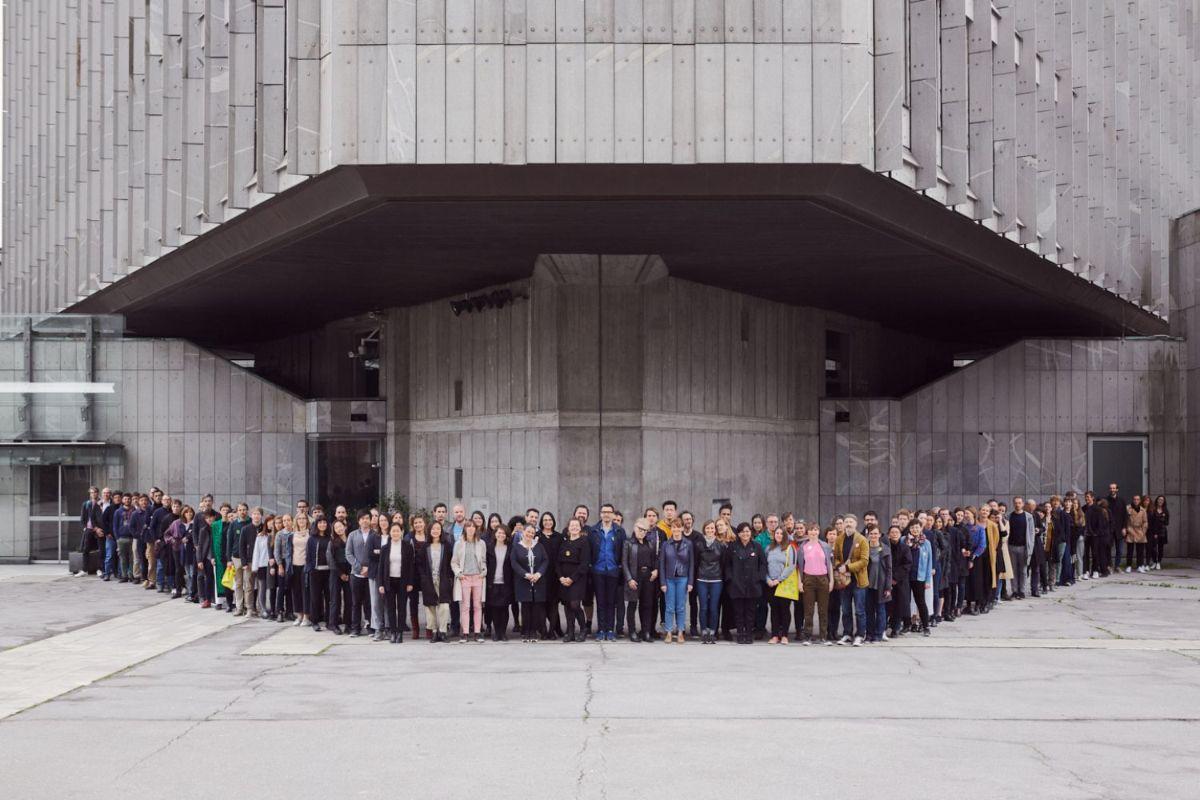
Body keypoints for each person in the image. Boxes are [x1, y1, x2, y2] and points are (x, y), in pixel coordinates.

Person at [586, 504, 625, 641]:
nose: (606, 514)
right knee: (601, 601)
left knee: (611, 602)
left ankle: (610, 630)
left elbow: (622, 552)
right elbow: (589, 551)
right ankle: (601, 629)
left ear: (613, 515)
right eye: (604, 512)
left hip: (613, 570)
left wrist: (620, 568)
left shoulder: (619, 531)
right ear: (600, 514)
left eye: (609, 512)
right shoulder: (593, 531)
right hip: (598, 570)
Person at [725, 522, 766, 644]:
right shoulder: (732, 547)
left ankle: (748, 633)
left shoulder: (757, 546)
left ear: (750, 533)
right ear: (738, 533)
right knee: (738, 612)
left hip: (752, 585)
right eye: (742, 531)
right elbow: (727, 565)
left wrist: (759, 577)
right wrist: (731, 579)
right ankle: (740, 633)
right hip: (736, 584)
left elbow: (763, 564)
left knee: (750, 611)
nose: (745, 534)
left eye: (747, 531)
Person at [377, 522, 415, 643]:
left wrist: (410, 583)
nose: (395, 533)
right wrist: (381, 584)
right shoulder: (385, 548)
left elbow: (410, 566)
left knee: (402, 607)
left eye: (397, 531)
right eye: (393, 531)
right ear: (390, 533)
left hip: (403, 581)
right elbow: (381, 567)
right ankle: (393, 632)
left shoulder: (407, 547)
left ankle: (400, 633)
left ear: (401, 532)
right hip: (389, 581)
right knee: (391, 608)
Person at [834, 516, 869, 646]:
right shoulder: (839, 539)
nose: (848, 524)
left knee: (859, 610)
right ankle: (847, 633)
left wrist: (848, 567)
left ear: (856, 524)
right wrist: (839, 566)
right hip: (844, 580)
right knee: (846, 609)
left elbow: (864, 561)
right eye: (846, 522)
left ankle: (860, 635)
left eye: (851, 522)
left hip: (858, 580)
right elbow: (836, 557)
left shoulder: (862, 540)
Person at [416, 521, 454, 642]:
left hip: (443, 580)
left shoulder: (446, 546)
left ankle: (443, 632)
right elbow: (419, 564)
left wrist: (449, 577)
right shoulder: (425, 547)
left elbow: (451, 562)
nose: (435, 531)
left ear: (441, 531)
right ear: (430, 531)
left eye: (438, 529)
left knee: (444, 606)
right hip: (429, 581)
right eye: (433, 529)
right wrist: (423, 577)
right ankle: (433, 632)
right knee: (430, 607)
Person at [512, 522, 549, 642]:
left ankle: (534, 632)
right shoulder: (517, 546)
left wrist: (538, 574)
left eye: (532, 533)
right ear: (523, 532)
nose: (530, 534)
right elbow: (514, 563)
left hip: (538, 581)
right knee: (526, 607)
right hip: (523, 581)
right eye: (528, 532)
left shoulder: (539, 546)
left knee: (536, 607)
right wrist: (526, 575)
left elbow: (545, 560)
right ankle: (525, 631)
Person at [796, 522, 833, 645]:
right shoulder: (803, 547)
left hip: (823, 579)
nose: (813, 532)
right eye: (811, 530)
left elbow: (829, 565)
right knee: (808, 609)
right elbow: (799, 566)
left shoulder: (825, 546)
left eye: (816, 530)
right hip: (808, 579)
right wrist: (800, 582)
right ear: (808, 532)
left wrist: (831, 580)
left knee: (823, 609)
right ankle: (808, 636)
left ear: (819, 531)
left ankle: (823, 636)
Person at [451, 520, 488, 641]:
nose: (471, 528)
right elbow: (454, 562)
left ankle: (477, 632)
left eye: (473, 526)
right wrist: (459, 573)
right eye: (468, 526)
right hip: (465, 577)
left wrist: (483, 571)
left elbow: (483, 560)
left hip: (478, 577)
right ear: (465, 529)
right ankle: (465, 632)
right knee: (465, 606)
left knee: (478, 606)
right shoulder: (459, 544)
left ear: (476, 529)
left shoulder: (481, 543)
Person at [659, 517, 694, 643]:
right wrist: (662, 582)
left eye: (679, 527)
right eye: (674, 527)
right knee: (669, 607)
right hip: (669, 579)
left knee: (680, 607)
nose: (676, 529)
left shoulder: (688, 544)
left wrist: (690, 582)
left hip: (683, 579)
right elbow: (662, 564)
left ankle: (680, 632)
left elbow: (691, 564)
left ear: (682, 528)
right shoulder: (666, 544)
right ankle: (668, 632)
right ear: (671, 529)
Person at [556, 518, 591, 642]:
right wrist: (560, 577)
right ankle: (570, 631)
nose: (574, 527)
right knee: (567, 605)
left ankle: (583, 629)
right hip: (564, 579)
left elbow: (584, 564)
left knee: (574, 604)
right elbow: (557, 562)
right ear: (568, 528)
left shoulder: (584, 542)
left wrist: (571, 578)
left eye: (577, 525)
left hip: (578, 579)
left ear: (580, 528)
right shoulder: (564, 542)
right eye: (572, 525)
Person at [693, 520, 724, 644]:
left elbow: (723, 563)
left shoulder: (720, 545)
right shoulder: (699, 544)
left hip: (716, 579)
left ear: (715, 530)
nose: (710, 531)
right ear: (704, 530)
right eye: (708, 528)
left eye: (712, 528)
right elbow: (696, 562)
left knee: (714, 607)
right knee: (704, 607)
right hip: (702, 579)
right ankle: (704, 631)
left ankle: (712, 631)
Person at [538, 511, 564, 640]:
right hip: (541, 575)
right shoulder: (537, 536)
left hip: (555, 575)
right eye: (545, 520)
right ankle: (543, 631)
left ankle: (552, 631)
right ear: (541, 522)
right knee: (542, 604)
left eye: (550, 520)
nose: (548, 522)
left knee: (554, 605)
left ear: (553, 521)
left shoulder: (559, 537)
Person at [485, 526, 513, 641]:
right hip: (493, 583)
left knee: (504, 608)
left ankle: (503, 632)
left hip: (506, 582)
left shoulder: (510, 548)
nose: (501, 535)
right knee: (495, 609)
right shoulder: (489, 548)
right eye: (499, 533)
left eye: (503, 533)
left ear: (506, 535)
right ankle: (497, 633)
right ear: (495, 534)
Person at [864, 525, 891, 643]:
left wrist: (888, 587)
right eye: (871, 534)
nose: (873, 536)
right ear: (868, 535)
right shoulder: (865, 548)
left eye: (876, 534)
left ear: (879, 535)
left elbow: (889, 569)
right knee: (869, 611)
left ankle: (879, 634)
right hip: (867, 585)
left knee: (880, 610)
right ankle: (869, 634)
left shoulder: (885, 549)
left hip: (880, 584)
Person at [306, 516, 332, 631]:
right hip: (315, 572)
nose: (322, 524)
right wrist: (311, 568)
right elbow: (308, 556)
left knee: (329, 597)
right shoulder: (312, 539)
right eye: (320, 522)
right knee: (315, 598)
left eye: (324, 522)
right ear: (316, 525)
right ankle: (314, 621)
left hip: (329, 572)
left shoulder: (330, 537)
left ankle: (329, 621)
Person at [907, 521, 932, 636]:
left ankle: (926, 625)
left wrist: (927, 580)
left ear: (921, 528)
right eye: (912, 527)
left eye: (917, 527)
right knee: (905, 601)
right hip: (906, 576)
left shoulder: (926, 543)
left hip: (919, 577)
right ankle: (907, 625)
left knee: (920, 602)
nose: (915, 529)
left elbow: (929, 563)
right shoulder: (904, 540)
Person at [328, 520, 352, 634]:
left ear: (345, 526)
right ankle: (333, 624)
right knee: (335, 599)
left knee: (349, 599)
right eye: (336, 527)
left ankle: (348, 624)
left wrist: (349, 573)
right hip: (336, 573)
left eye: (340, 526)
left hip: (350, 573)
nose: (339, 529)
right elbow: (330, 560)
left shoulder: (350, 540)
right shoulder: (332, 542)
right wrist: (340, 574)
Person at [1125, 494, 1148, 573]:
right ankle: (1128, 566)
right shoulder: (1128, 508)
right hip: (1131, 529)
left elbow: (1145, 522)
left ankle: (1140, 565)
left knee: (1140, 550)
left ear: (1140, 500)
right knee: (1130, 550)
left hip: (1140, 530)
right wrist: (1127, 529)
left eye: (1137, 499)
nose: (1136, 501)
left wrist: (1143, 531)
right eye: (1134, 499)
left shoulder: (1143, 510)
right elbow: (1126, 520)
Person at [1148, 496, 1169, 571]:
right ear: (1157, 500)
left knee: (1160, 548)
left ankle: (1159, 563)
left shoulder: (1165, 511)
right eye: (1159, 499)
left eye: (1162, 500)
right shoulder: (1153, 509)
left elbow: (1167, 522)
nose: (1160, 501)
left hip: (1162, 532)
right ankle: (1154, 562)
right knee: (1153, 548)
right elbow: (1152, 521)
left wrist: (1162, 519)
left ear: (1164, 501)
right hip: (1154, 531)